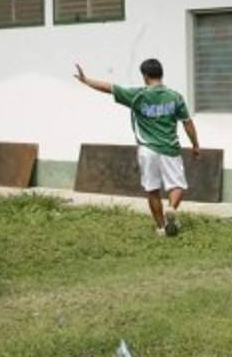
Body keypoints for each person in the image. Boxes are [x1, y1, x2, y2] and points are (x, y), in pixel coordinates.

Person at [74, 58, 200, 237]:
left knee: (152, 190)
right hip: (169, 148)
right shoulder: (175, 96)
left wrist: (86, 81)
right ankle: (171, 208)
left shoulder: (138, 95)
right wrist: (195, 145)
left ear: (145, 76)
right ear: (161, 74)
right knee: (177, 186)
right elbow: (188, 123)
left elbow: (109, 88)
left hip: (147, 150)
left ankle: (161, 228)